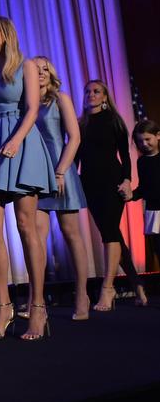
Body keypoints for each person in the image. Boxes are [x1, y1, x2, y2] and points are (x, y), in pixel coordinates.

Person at [0, 16, 56, 341]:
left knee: (26, 225)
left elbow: (32, 108)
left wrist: (16, 139)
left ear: (6, 33)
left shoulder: (27, 66)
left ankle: (38, 306)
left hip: (21, 142)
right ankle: (3, 306)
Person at [76, 80, 147, 310]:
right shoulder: (80, 124)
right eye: (88, 91)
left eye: (97, 91)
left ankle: (108, 288)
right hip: (89, 185)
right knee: (113, 235)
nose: (91, 95)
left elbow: (125, 156)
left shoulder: (114, 121)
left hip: (113, 184)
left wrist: (127, 180)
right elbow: (76, 157)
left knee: (109, 234)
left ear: (105, 97)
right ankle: (138, 286)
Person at [32, 56, 90, 320]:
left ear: (51, 73)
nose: (41, 73)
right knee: (36, 238)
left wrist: (60, 171)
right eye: (36, 70)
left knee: (71, 234)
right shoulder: (27, 102)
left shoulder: (60, 99)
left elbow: (74, 138)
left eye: (45, 69)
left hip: (60, 171)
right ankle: (37, 302)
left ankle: (82, 294)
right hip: (36, 175)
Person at [130, 119, 160, 273]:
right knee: (158, 249)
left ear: (158, 136)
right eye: (140, 141)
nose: (144, 144)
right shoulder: (141, 162)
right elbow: (143, 188)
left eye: (148, 139)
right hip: (154, 211)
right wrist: (130, 195)